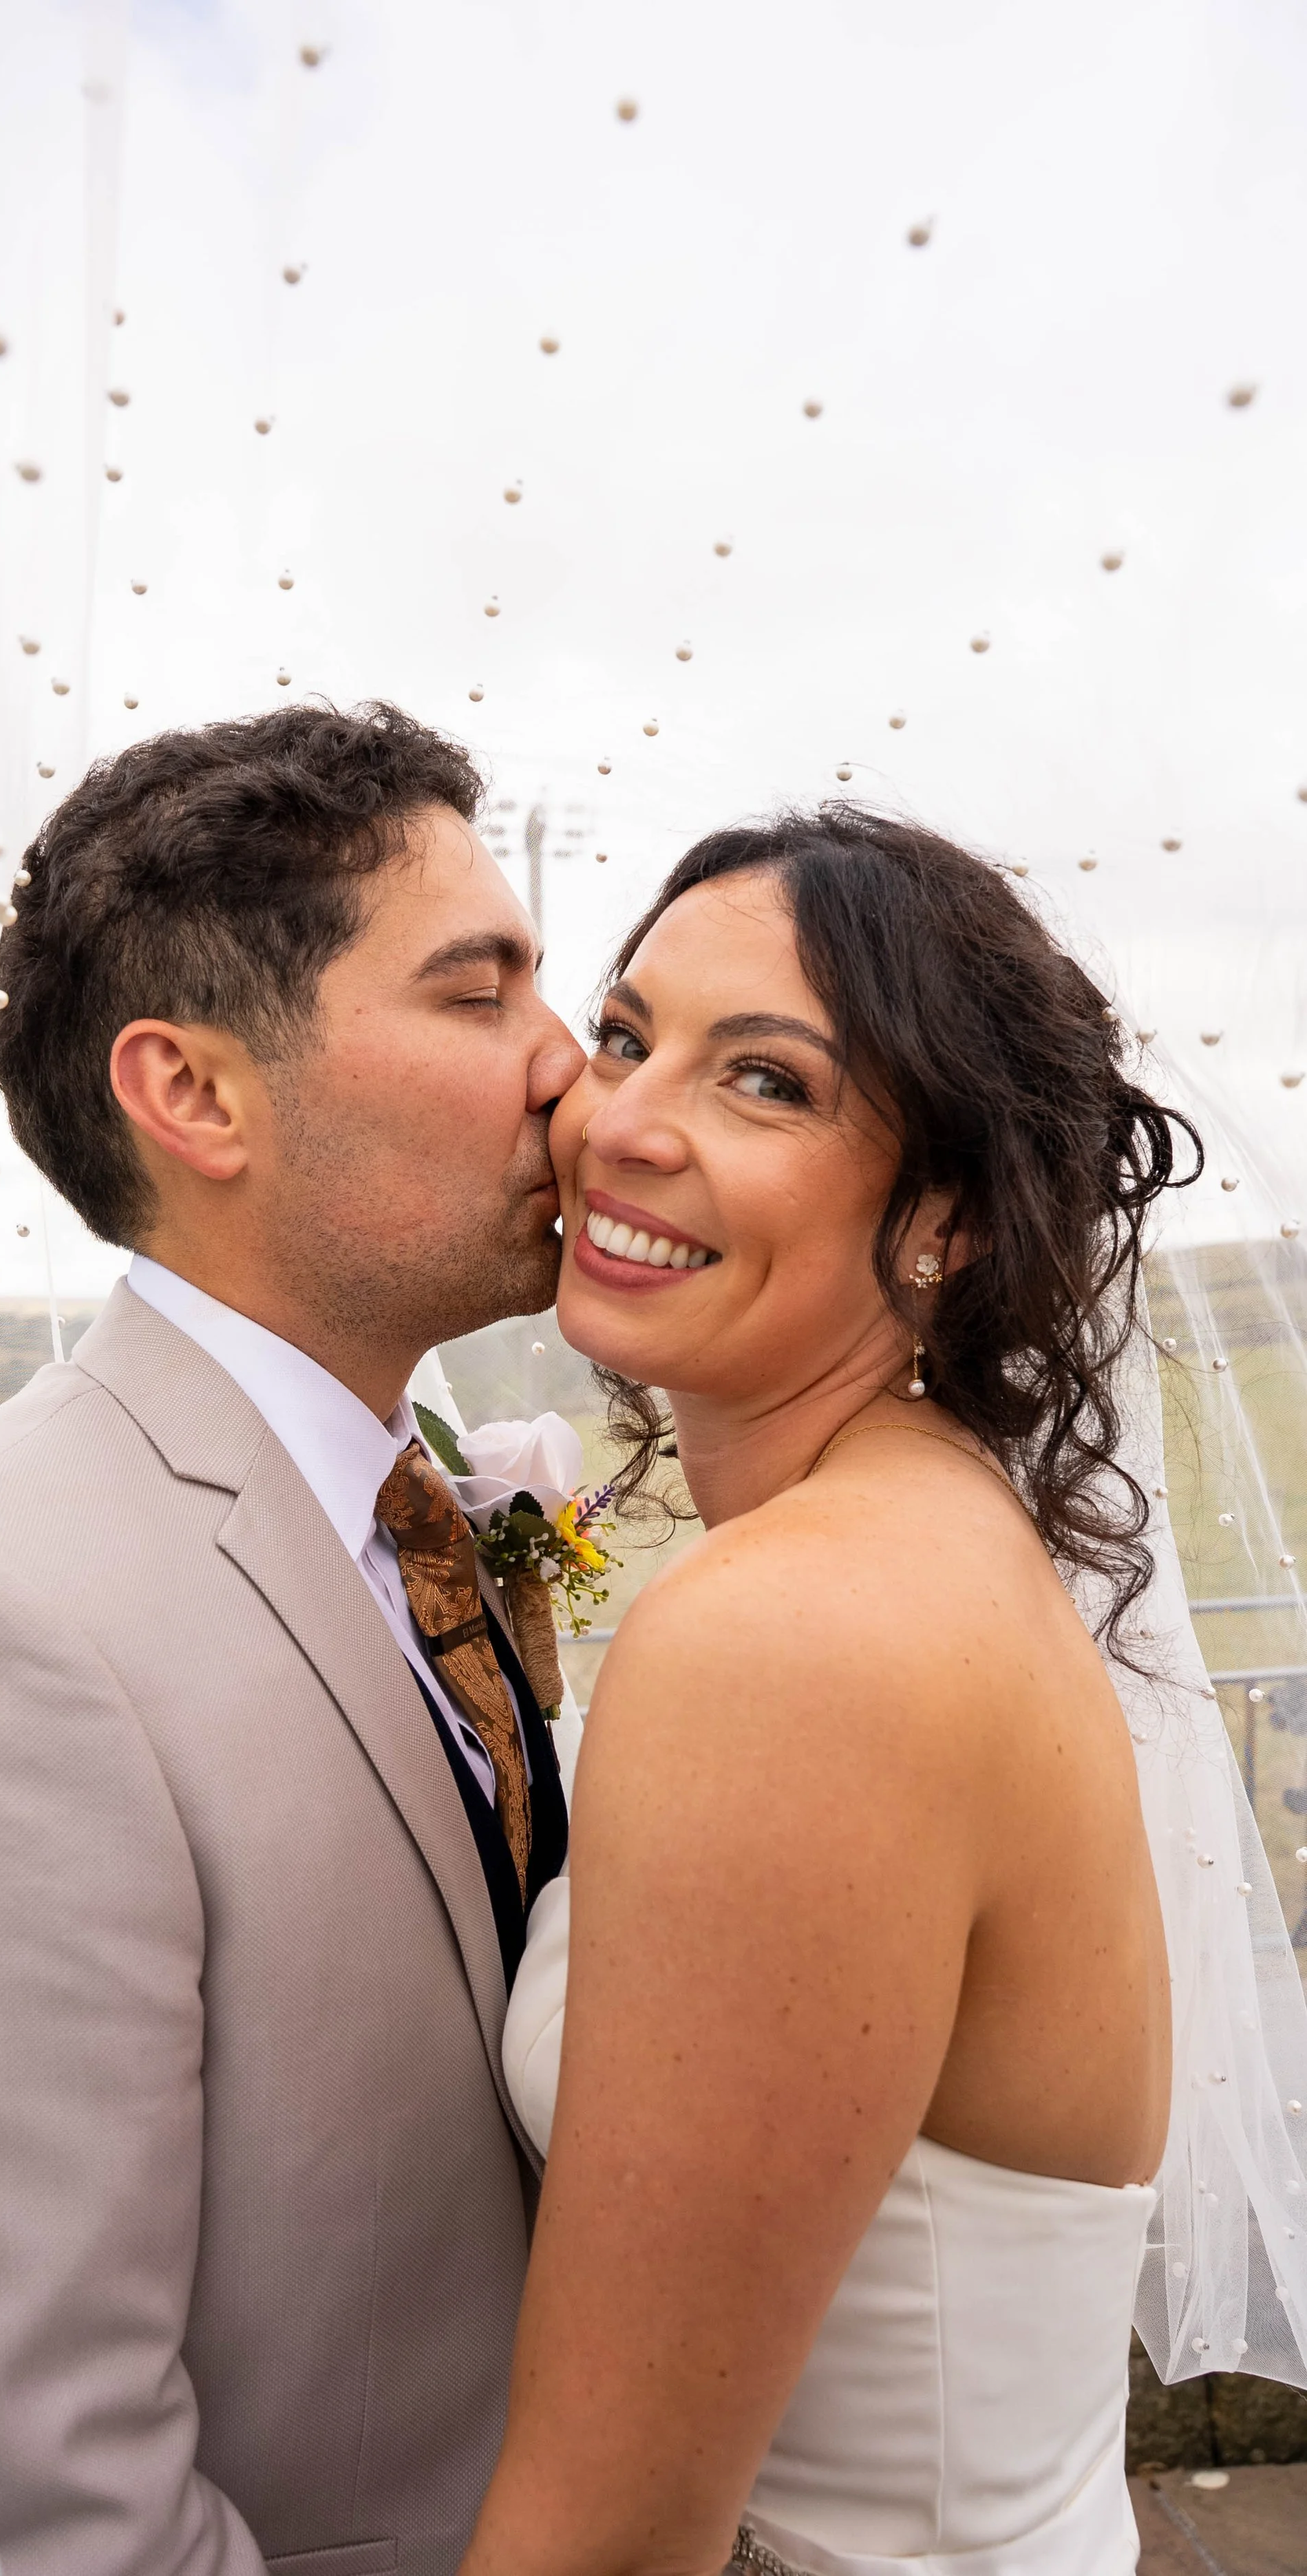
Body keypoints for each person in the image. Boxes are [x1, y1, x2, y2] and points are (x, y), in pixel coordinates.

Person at [469, 809, 1193, 2576]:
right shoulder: (927, 1526)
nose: (621, 1122)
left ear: (938, 1217)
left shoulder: (794, 1638)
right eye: (626, 1036)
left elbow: (614, 2536)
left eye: (767, 1083)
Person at [0, 703, 581, 2576]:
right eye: (481, 996)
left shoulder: (421, 1484)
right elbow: (56, 2453)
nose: (574, 1071)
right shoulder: (17, 1605)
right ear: (199, 1096)